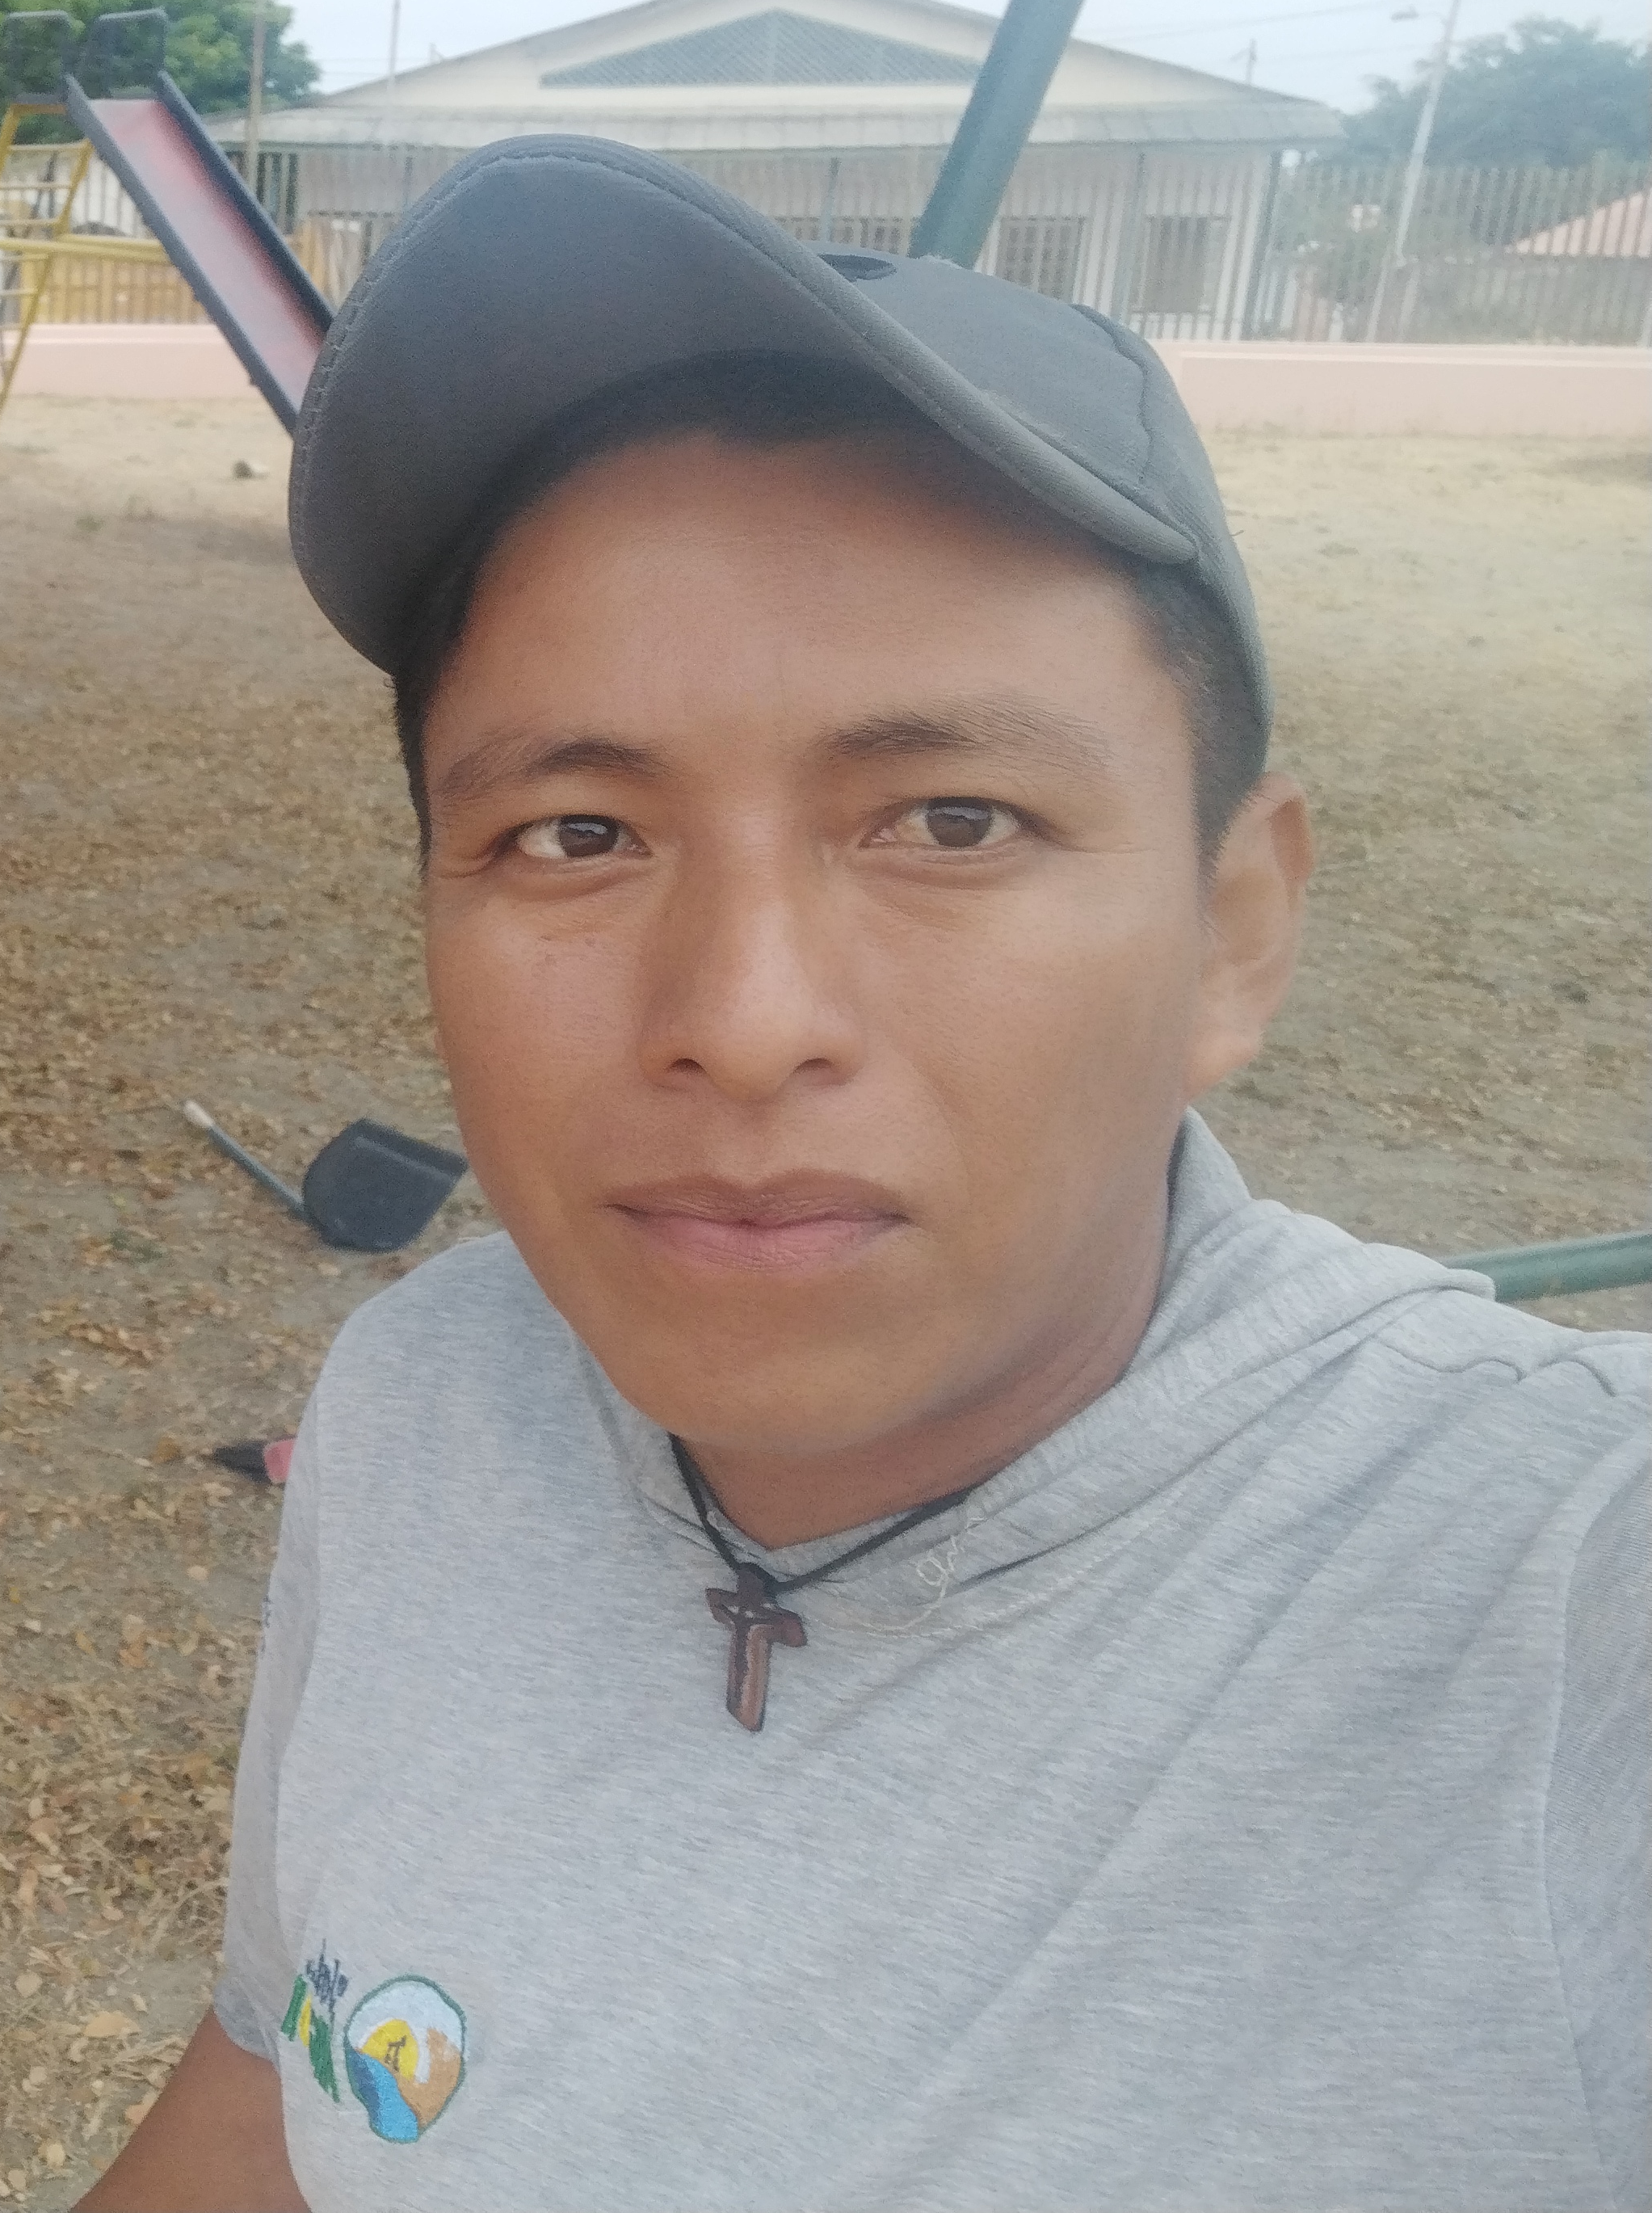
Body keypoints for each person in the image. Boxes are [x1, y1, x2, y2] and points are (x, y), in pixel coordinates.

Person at [79, 138, 1647, 2213]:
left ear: (1234, 930)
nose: (740, 1020)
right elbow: (284, 2080)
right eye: (574, 836)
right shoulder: (427, 1402)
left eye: (951, 821)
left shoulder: (1552, 1613)